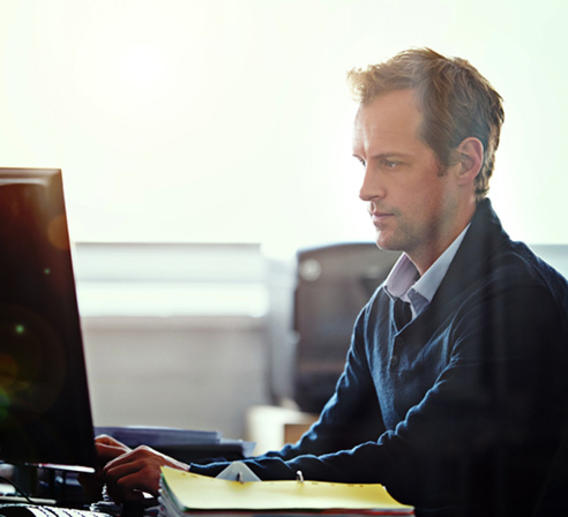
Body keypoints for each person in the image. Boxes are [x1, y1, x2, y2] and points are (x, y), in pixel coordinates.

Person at [89, 49, 568, 516]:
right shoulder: (385, 309)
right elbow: (324, 446)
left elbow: (412, 462)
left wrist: (199, 482)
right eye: (363, 163)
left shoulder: (517, 302)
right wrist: (185, 472)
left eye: (391, 163)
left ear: (465, 163)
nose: (366, 190)